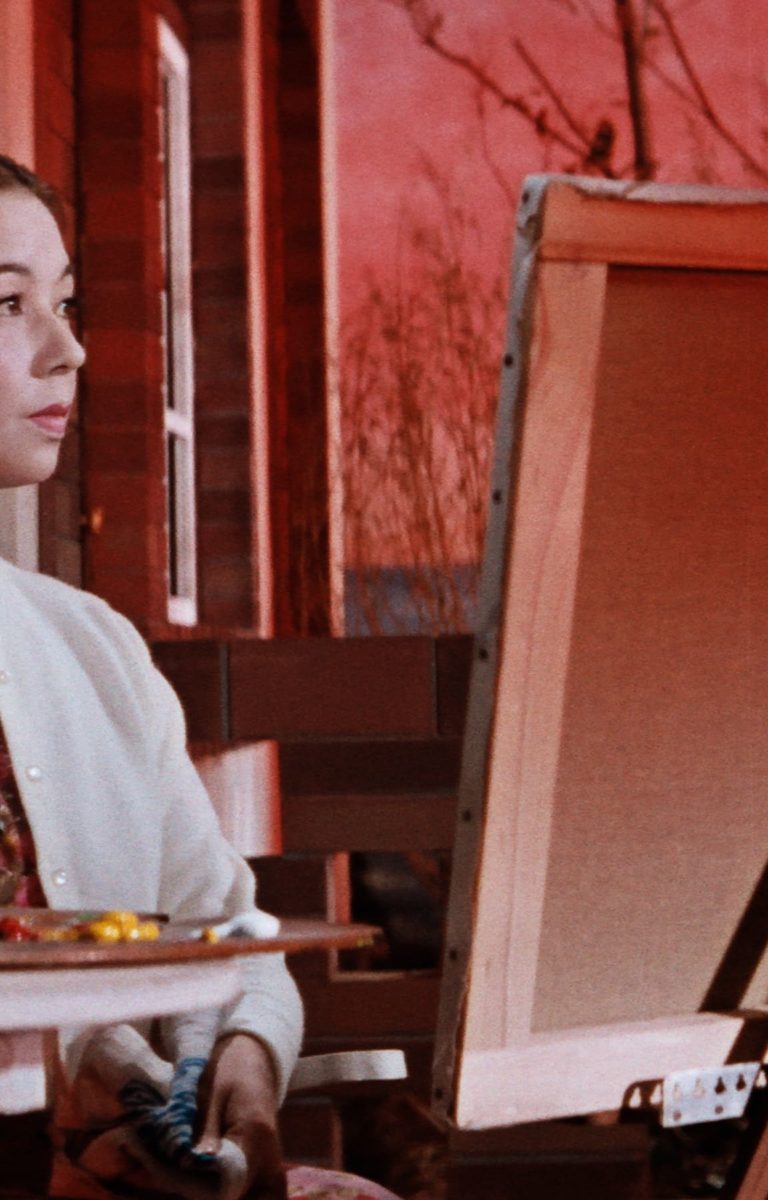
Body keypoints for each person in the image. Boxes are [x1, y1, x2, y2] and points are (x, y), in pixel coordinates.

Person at [0, 156, 401, 1200]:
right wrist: (98, 1079)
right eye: (7, 304)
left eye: (65, 303)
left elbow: (233, 938)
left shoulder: (93, 650)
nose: (69, 349)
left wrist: (245, 1074)